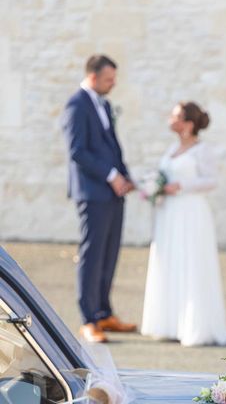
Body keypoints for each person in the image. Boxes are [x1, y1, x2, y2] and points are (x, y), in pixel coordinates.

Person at [141, 102, 226, 346]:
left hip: (190, 212)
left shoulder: (202, 150)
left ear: (189, 124)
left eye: (176, 116)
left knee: (190, 262)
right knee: (169, 260)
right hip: (168, 213)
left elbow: (211, 181)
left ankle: (194, 325)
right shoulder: (172, 148)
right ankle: (169, 322)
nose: (171, 119)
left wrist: (181, 186)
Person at [62, 55, 137, 343]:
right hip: (91, 192)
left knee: (110, 252)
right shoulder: (76, 105)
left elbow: (112, 146)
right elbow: (77, 151)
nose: (113, 84)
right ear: (92, 76)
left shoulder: (103, 104)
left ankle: (104, 311)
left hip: (113, 192)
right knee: (92, 255)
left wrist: (124, 175)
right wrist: (110, 175)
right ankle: (89, 319)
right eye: (109, 79)